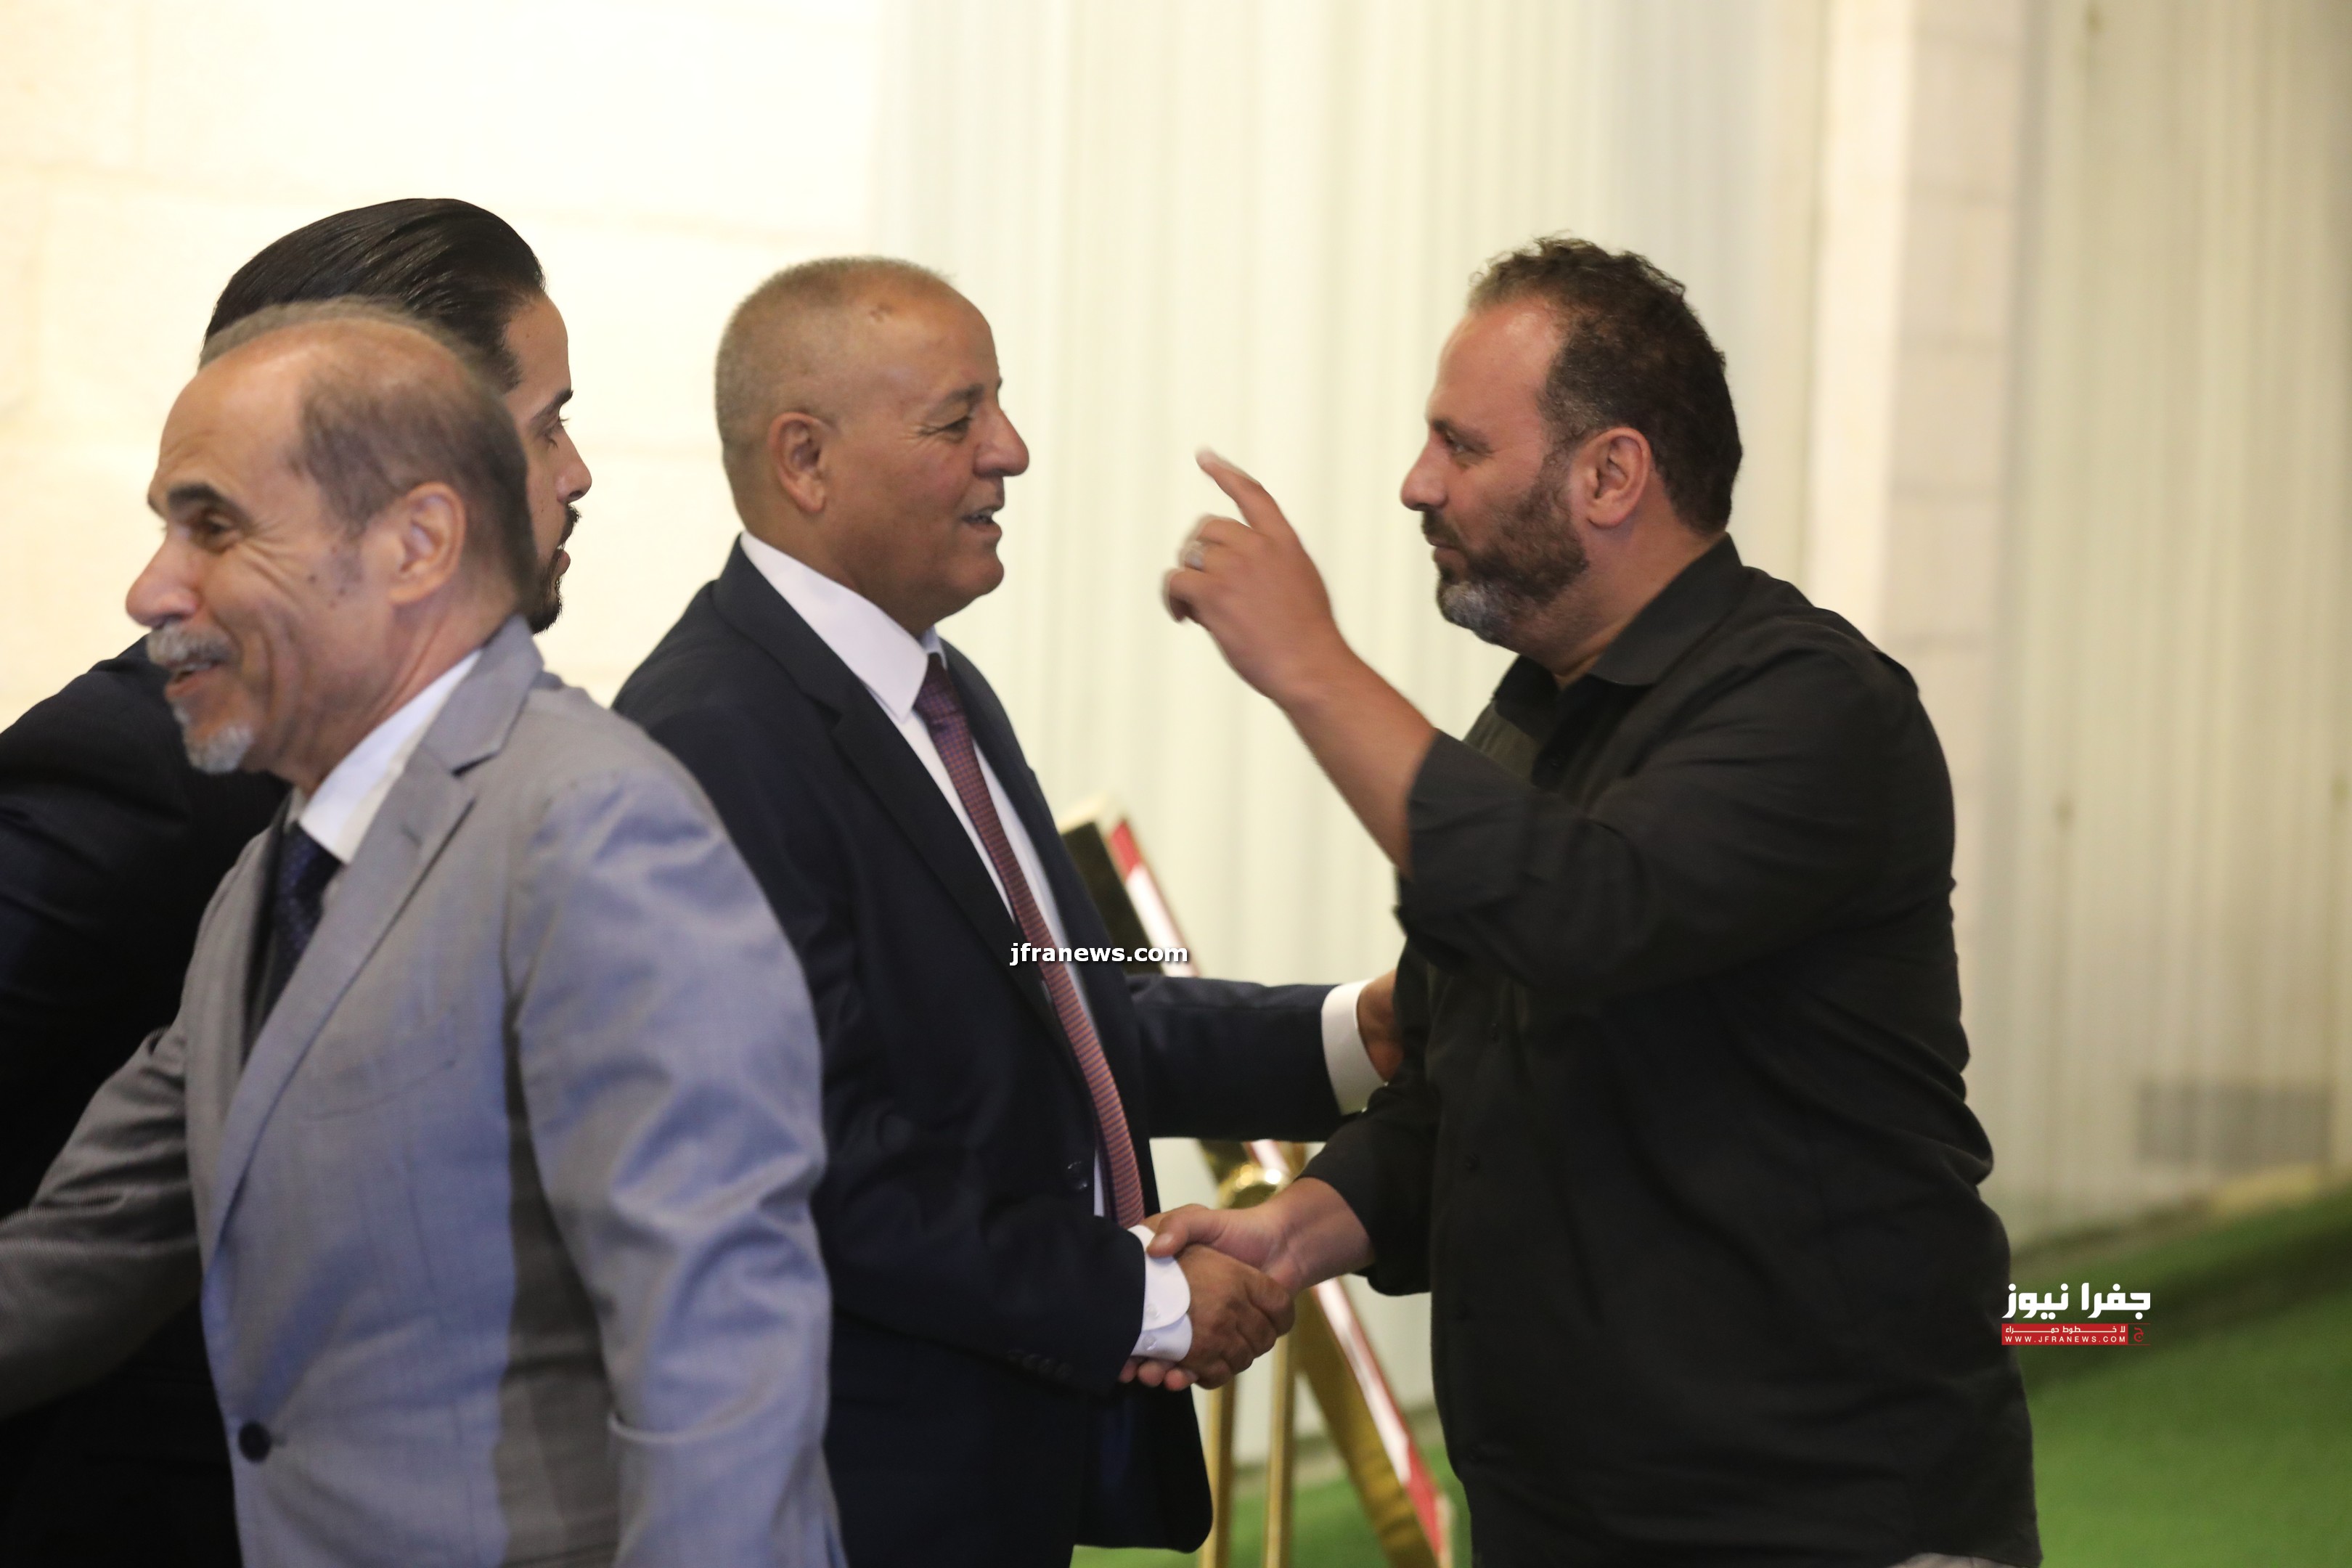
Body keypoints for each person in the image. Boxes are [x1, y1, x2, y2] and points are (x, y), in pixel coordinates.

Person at [1148, 236, 2040, 1568]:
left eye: (1461, 446)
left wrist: (1312, 664)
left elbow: (1589, 918)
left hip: (1818, 1514)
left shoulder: (1813, 705)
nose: (1416, 483)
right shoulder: (1529, 721)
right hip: (1564, 1518)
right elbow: (1467, 1098)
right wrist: (1293, 1234)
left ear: (1612, 474)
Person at [0, 302, 838, 1567]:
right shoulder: (275, 871)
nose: (153, 588)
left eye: (212, 526)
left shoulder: (593, 828)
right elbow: (89, 1247)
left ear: (417, 543)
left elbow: (721, 1361)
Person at [612, 257, 1398, 1567]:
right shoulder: (716, 735)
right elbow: (823, 1157)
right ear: (805, 460)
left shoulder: (936, 688)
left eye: (1001, 405)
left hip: (992, 1473)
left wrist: (1354, 1032)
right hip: (858, 1498)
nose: (1012, 451)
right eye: (956, 420)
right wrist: (1147, 1300)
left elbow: (1068, 1008)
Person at [0, 198, 593, 1566]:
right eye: (547, 424)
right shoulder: (149, 774)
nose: (577, 473)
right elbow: (114, 1225)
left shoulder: (481, 777)